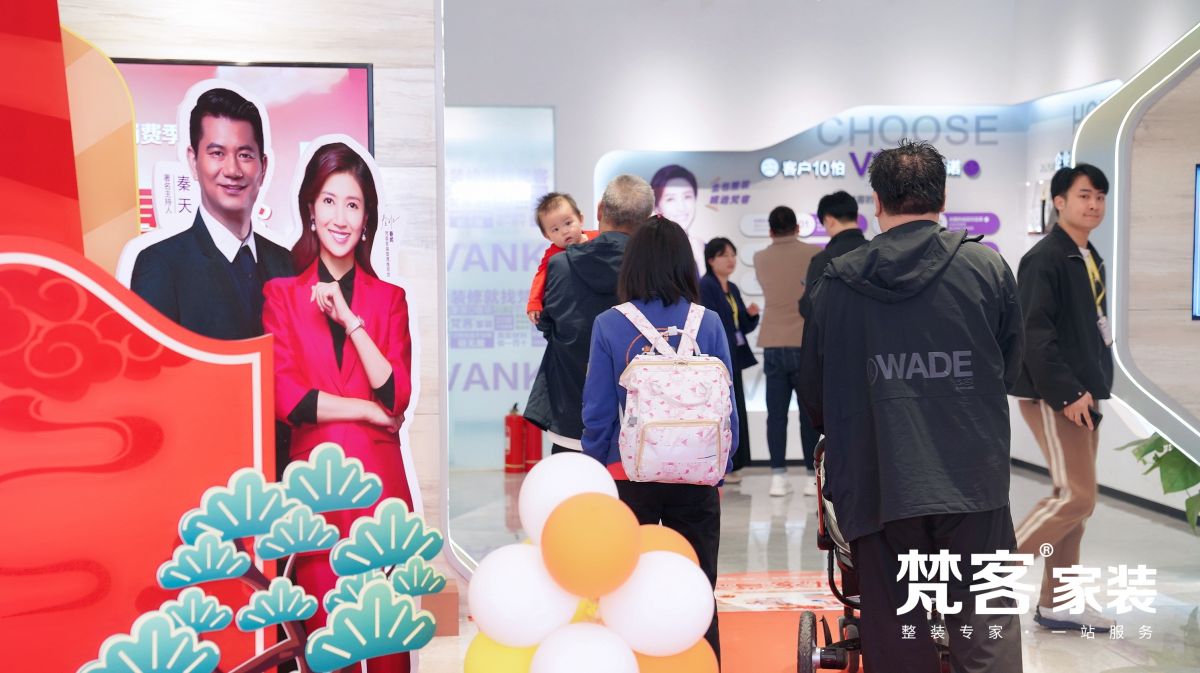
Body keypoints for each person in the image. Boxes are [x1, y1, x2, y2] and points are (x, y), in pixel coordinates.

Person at [800, 140, 1024, 673]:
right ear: (942, 198)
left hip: (878, 479)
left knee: (899, 629)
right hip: (973, 478)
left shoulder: (836, 284)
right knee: (984, 625)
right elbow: (1010, 368)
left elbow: (815, 394)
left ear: (876, 202)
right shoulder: (986, 269)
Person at [261, 142, 414, 673]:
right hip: (316, 494)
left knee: (387, 643)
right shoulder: (282, 294)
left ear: (367, 218)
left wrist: (351, 320)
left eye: (353, 205)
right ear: (310, 208)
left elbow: (395, 395)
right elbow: (287, 399)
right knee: (327, 642)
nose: (340, 218)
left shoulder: (389, 298)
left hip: (380, 492)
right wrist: (365, 412)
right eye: (329, 201)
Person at [581, 216, 736, 663]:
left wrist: (596, 468)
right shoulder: (708, 322)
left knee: (627, 587)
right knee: (698, 585)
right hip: (697, 473)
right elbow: (728, 405)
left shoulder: (609, 324)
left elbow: (597, 411)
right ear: (685, 265)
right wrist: (721, 468)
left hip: (627, 472)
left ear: (632, 265)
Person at [1010, 164, 1115, 632]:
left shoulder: (1087, 255)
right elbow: (1034, 334)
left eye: (1100, 197)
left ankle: (1060, 602)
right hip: (1057, 395)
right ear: (1059, 202)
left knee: (1074, 502)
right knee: (1076, 497)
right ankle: (982, 582)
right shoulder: (1045, 257)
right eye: (1084, 196)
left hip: (1084, 394)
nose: (1094, 205)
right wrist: (1067, 392)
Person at [131, 87, 292, 340]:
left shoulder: (288, 263)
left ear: (263, 166)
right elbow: (150, 362)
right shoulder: (160, 265)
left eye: (245, 155)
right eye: (217, 153)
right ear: (193, 161)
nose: (232, 170)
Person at [524, 175, 655, 453]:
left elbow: (550, 328)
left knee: (572, 482)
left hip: (573, 416)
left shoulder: (559, 266)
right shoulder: (652, 270)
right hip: (642, 424)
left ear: (598, 211)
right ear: (646, 220)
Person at [753, 206, 820, 496]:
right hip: (804, 341)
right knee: (809, 415)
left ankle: (778, 476)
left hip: (772, 340)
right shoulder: (814, 254)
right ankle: (811, 476)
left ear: (770, 231)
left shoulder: (759, 257)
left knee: (776, 414)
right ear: (797, 227)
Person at [700, 237, 759, 484]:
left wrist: (751, 316)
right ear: (711, 260)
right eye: (724, 255)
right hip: (717, 359)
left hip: (734, 357)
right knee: (721, 410)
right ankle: (722, 464)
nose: (731, 259)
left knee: (736, 409)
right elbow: (710, 325)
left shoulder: (732, 288)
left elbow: (741, 326)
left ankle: (736, 463)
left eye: (733, 254)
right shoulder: (705, 286)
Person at [526, 192, 592, 324]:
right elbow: (540, 277)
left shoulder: (598, 237)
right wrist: (534, 302)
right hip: (576, 310)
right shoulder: (552, 254)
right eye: (555, 229)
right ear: (547, 236)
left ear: (580, 219)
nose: (564, 231)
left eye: (568, 223)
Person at [799, 190, 866, 319]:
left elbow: (809, 309)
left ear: (829, 220)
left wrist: (805, 294)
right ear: (856, 216)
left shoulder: (823, 260)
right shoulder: (878, 253)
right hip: (876, 330)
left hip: (839, 331)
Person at [650, 164, 705, 270]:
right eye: (670, 199)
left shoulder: (706, 250)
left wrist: (701, 260)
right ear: (656, 207)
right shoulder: (648, 251)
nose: (681, 207)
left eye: (687, 197)